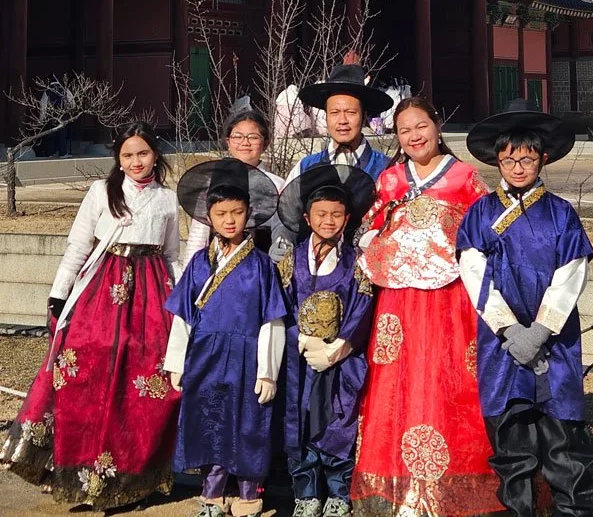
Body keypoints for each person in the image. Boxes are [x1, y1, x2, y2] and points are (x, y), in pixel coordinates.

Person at [0, 121, 181, 510]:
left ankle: (134, 474)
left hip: (150, 297)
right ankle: (70, 467)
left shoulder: (167, 199)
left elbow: (171, 256)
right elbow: (79, 245)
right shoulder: (101, 192)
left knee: (142, 380)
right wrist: (58, 293)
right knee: (83, 370)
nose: (136, 161)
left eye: (143, 153)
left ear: (155, 155)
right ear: (118, 158)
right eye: (128, 155)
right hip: (100, 290)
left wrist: (180, 305)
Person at [351, 96, 503, 517]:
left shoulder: (465, 178)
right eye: (404, 130)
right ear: (396, 138)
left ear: (437, 126)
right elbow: (373, 227)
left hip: (450, 300)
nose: (414, 136)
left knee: (448, 379)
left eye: (421, 126)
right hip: (397, 301)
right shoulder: (390, 180)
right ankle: (397, 489)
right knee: (396, 381)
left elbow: (487, 234)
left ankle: (458, 487)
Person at [456, 99, 593, 517]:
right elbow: (473, 271)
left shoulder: (561, 214)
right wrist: (509, 330)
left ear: (543, 158)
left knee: (562, 441)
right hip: (502, 345)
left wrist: (540, 330)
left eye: (527, 158)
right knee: (511, 442)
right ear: (497, 160)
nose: (518, 168)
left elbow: (571, 272)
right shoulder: (480, 213)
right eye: (509, 159)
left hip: (555, 344)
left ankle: (574, 510)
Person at [164, 159, 287, 517]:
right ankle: (212, 495)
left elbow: (272, 322)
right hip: (205, 356)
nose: (229, 220)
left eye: (237, 212)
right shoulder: (200, 262)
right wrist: (176, 362)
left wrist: (268, 371)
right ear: (210, 217)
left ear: (248, 213)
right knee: (210, 423)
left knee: (248, 425)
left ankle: (249, 496)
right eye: (221, 213)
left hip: (248, 358)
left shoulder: (262, 265)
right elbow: (184, 318)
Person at [277, 163, 376, 517]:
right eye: (321, 214)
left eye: (336, 214)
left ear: (347, 218)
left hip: (341, 361)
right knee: (300, 421)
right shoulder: (291, 262)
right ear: (307, 218)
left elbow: (363, 306)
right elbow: (281, 306)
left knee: (340, 421)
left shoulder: (357, 264)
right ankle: (305, 493)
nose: (329, 221)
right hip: (299, 360)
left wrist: (340, 346)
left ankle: (338, 492)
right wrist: (300, 339)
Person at [271, 64, 392, 263]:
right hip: (314, 268)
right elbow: (286, 213)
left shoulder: (387, 169)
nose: (342, 120)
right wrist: (282, 241)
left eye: (350, 113)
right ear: (326, 117)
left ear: (363, 117)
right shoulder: (306, 166)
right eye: (334, 113)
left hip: (372, 267)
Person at [184, 107, 285, 263]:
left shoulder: (277, 185)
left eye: (253, 137)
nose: (245, 142)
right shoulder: (211, 180)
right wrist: (190, 271)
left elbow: (281, 232)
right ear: (228, 142)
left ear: (265, 143)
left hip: (261, 263)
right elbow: (198, 236)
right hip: (219, 262)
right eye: (238, 136)